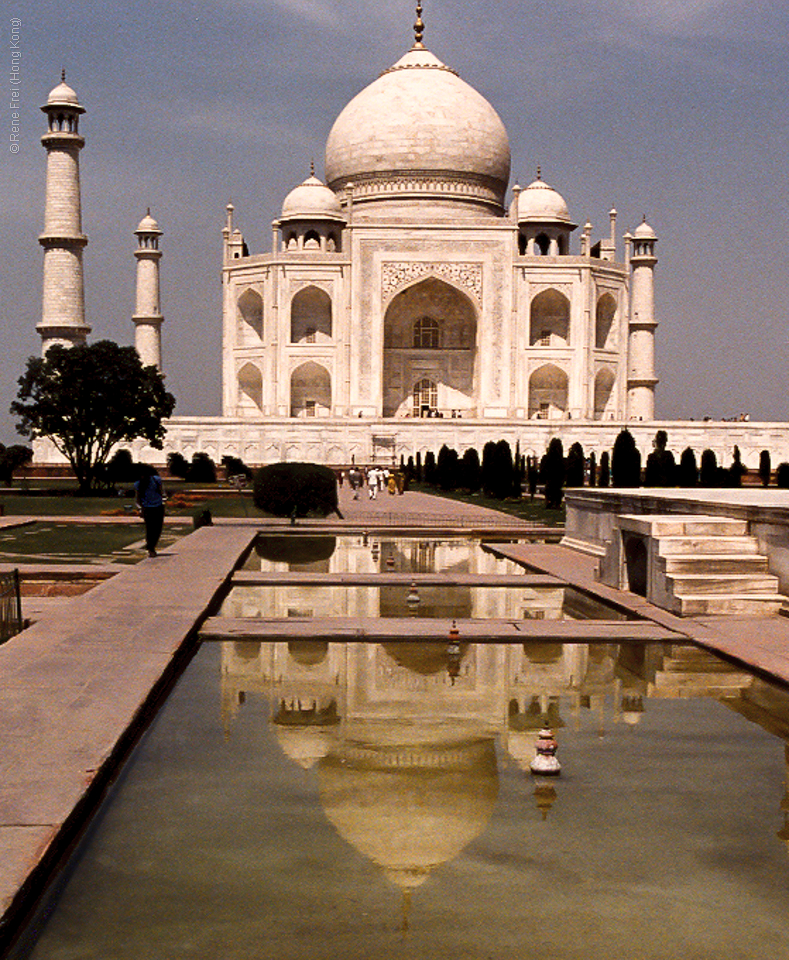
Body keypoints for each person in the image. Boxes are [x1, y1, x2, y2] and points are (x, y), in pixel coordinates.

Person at [135, 463, 166, 557]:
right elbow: (137, 499)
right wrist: (140, 509)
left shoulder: (156, 480)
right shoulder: (138, 484)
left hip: (158, 506)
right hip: (148, 508)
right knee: (150, 528)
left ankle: (151, 545)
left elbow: (161, 491)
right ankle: (151, 547)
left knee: (157, 528)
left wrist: (163, 500)